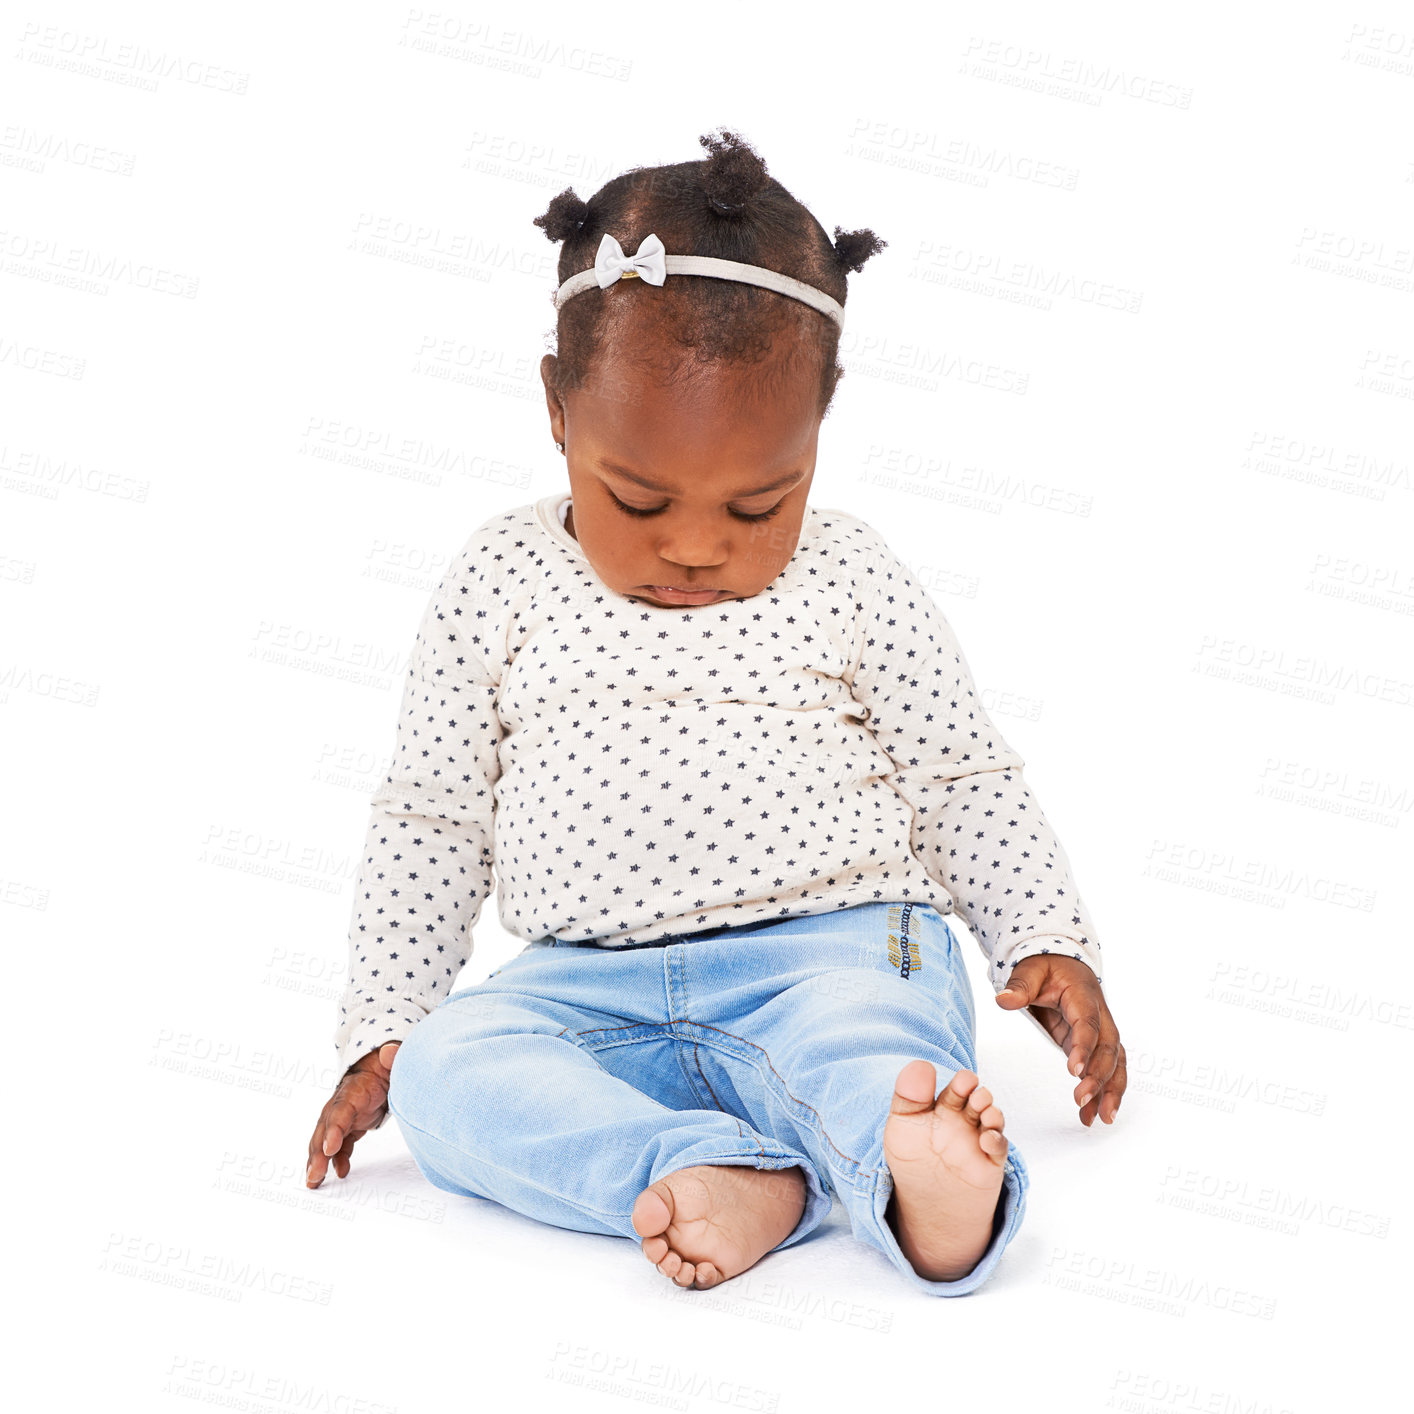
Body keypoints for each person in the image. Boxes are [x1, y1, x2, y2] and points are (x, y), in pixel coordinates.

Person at [304, 128, 1126, 1296]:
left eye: (759, 503)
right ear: (557, 408)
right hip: (583, 983)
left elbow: (960, 775)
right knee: (452, 1076)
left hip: (833, 949)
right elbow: (432, 818)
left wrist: (1044, 935)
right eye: (637, 496)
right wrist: (386, 1027)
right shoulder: (497, 578)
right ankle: (720, 1169)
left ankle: (923, 1185)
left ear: (817, 437)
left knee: (869, 1053)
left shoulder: (853, 575)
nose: (694, 545)